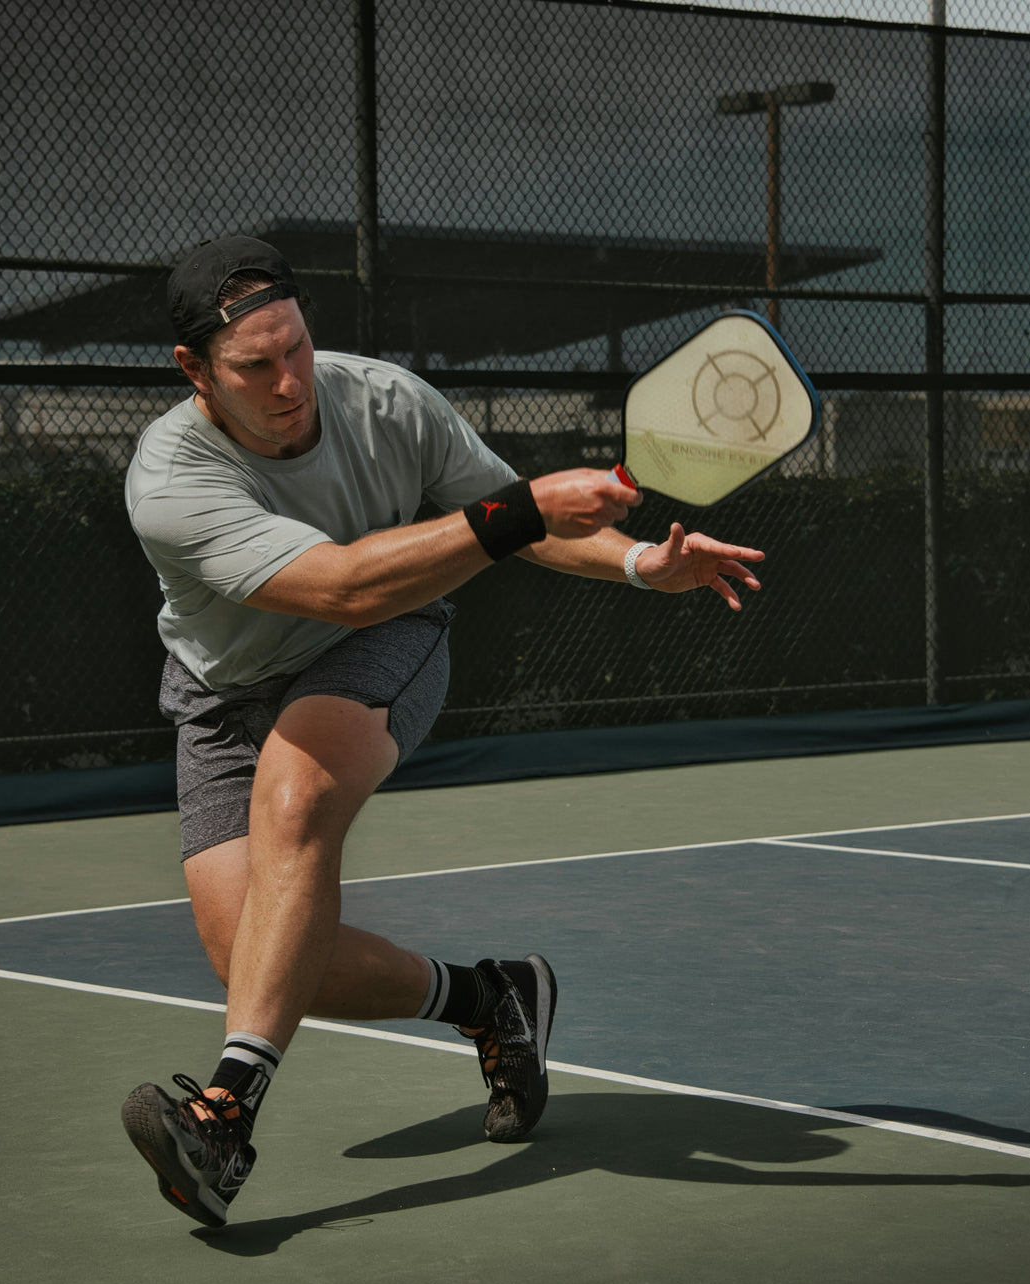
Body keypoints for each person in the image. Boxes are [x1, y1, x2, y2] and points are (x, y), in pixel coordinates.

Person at [120, 235, 765, 1229]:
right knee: (246, 948)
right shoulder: (169, 478)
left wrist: (642, 563)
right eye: (255, 364)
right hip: (226, 688)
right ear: (194, 370)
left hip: (385, 640)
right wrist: (518, 508)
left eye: (294, 344)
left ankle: (223, 1117)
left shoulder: (384, 402)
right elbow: (341, 581)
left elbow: (519, 523)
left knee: (294, 800)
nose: (289, 379)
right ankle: (489, 997)